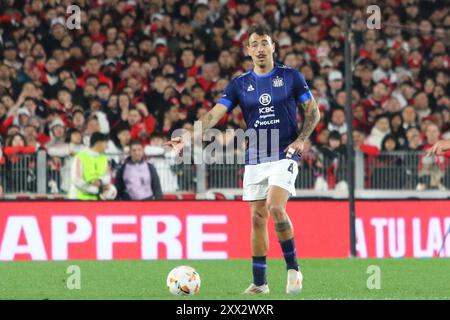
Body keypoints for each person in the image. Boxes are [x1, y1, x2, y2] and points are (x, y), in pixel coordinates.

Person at [166, 24, 320, 295]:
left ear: (273, 46)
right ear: (248, 50)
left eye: (264, 42)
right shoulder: (239, 84)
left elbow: (313, 112)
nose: (260, 48)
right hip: (255, 156)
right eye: (254, 44)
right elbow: (214, 115)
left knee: (274, 207)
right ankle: (260, 283)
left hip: (284, 152)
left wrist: (301, 140)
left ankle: (294, 269)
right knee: (257, 218)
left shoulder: (291, 77)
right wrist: (187, 136)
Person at [68, 132, 117, 200]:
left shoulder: (104, 158)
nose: (107, 147)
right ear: (98, 143)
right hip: (78, 199)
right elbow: (76, 180)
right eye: (106, 143)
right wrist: (95, 189)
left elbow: (107, 177)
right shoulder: (80, 157)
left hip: (97, 200)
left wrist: (100, 182)